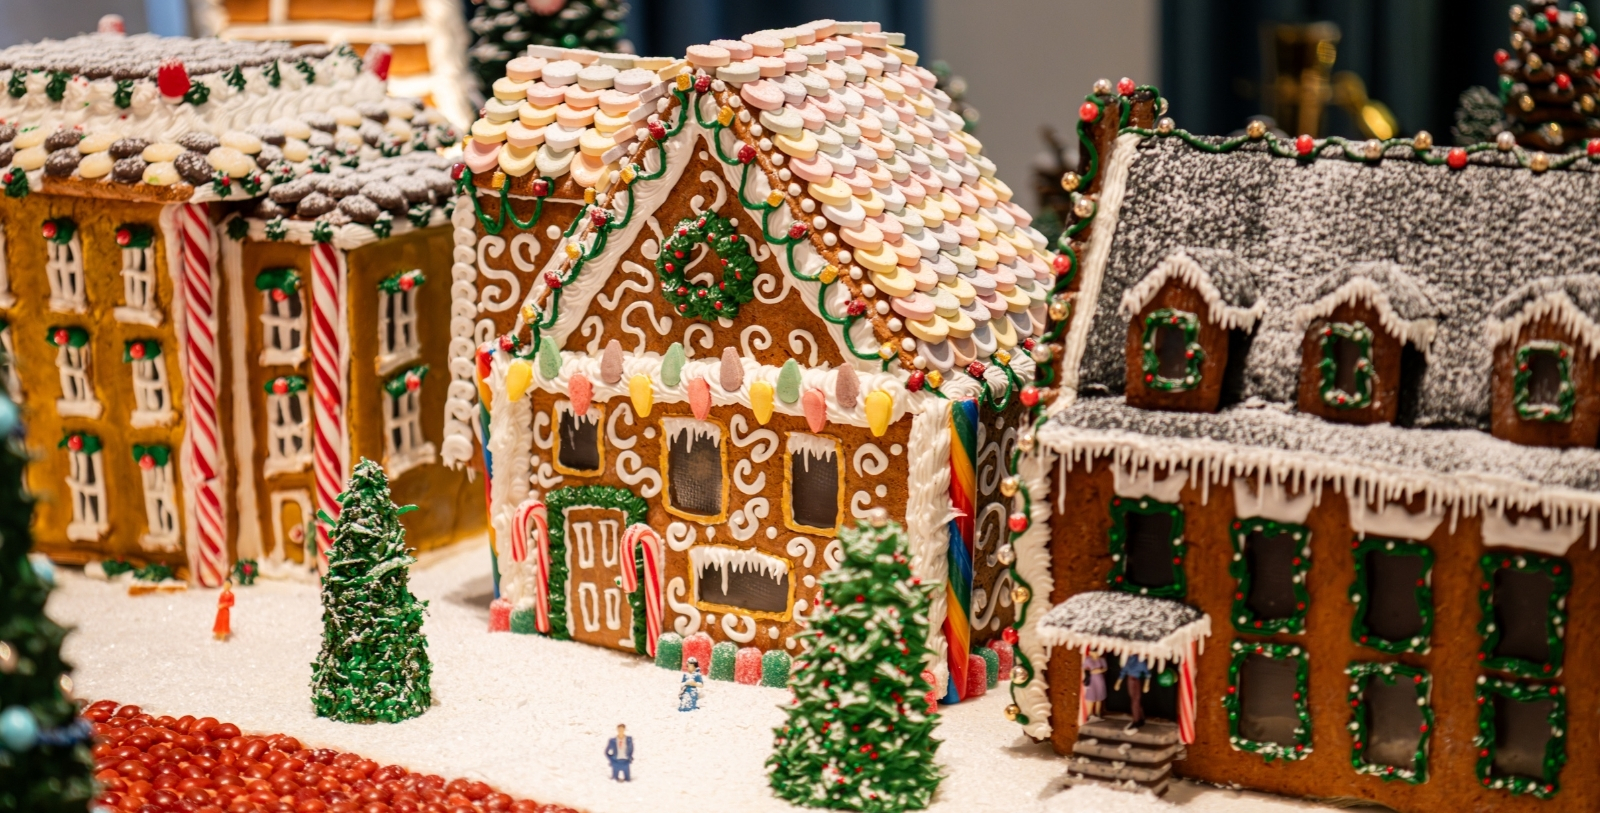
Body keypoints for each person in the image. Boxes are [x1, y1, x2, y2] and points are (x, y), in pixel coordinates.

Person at [1114, 654, 1152, 730]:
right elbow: (1123, 671)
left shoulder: (1140, 661)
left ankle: (1136, 720)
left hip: (1135, 680)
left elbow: (1147, 673)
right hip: (1130, 680)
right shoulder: (1128, 659)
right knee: (1135, 700)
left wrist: (1146, 685)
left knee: (1135, 701)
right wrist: (1118, 682)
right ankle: (1140, 718)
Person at [1081, 650, 1108, 721]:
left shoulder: (1101, 659)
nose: (1096, 653)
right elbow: (1083, 667)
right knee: (1091, 696)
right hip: (1091, 679)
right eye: (1094, 652)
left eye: (1097, 652)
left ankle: (1098, 713)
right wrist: (1089, 671)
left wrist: (1100, 670)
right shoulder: (1088, 659)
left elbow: (1105, 668)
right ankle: (1090, 714)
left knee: (1099, 696)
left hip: (1099, 679)